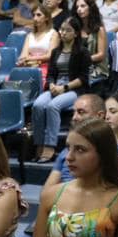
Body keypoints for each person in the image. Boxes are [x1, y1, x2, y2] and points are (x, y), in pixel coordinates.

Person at [31, 19, 90, 163]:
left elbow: (83, 78)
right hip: (56, 87)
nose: (63, 33)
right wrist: (51, 84)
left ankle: (50, 146)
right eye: (62, 29)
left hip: (74, 89)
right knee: (38, 105)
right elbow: (51, 74)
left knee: (53, 106)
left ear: (75, 33)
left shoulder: (82, 52)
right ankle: (38, 144)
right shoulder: (55, 51)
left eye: (68, 30)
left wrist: (65, 87)